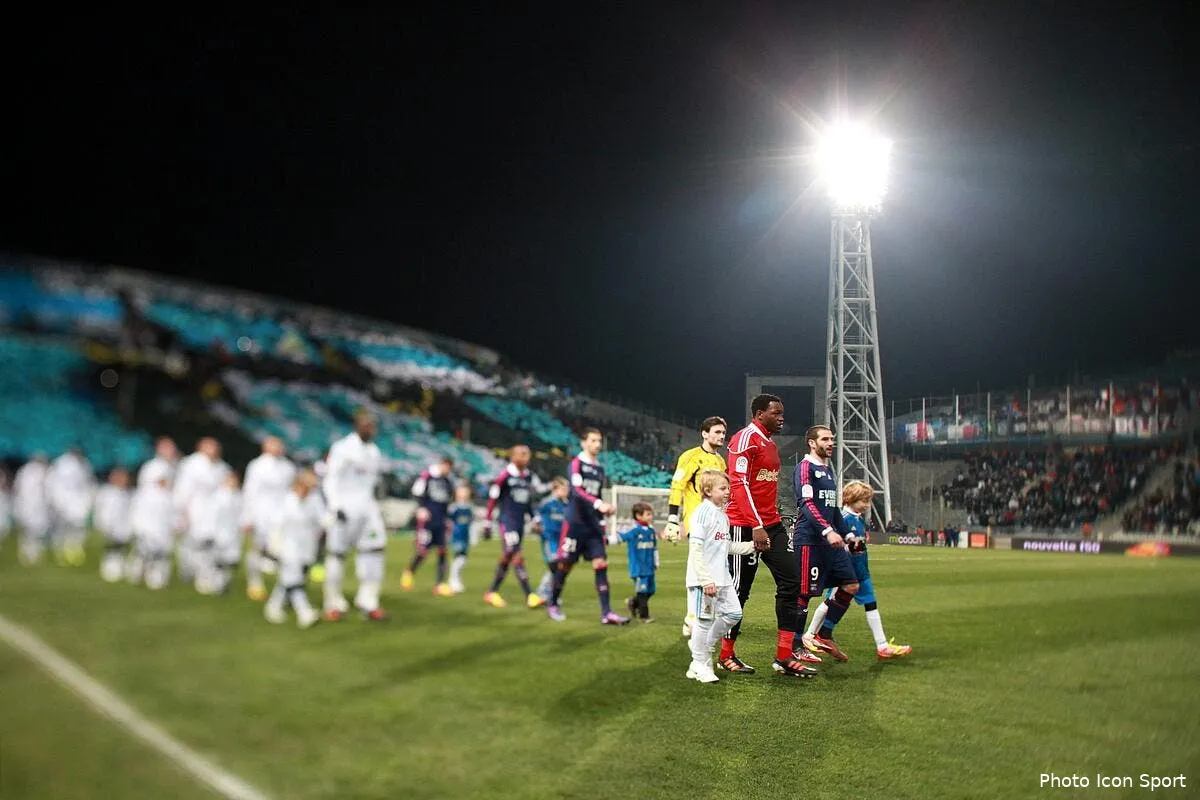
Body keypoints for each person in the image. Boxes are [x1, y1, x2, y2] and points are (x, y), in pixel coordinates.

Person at [719, 395, 814, 678]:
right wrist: (756, 524)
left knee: (792, 581)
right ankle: (726, 654)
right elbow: (738, 484)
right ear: (760, 414)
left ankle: (784, 656)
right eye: (776, 413)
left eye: (782, 413)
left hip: (770, 524)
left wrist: (767, 521)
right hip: (743, 525)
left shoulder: (769, 443)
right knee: (738, 591)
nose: (782, 417)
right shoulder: (744, 439)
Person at [803, 480, 913, 659]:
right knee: (829, 602)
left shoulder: (857, 519)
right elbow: (839, 546)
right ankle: (810, 635)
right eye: (864, 501)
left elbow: (857, 548)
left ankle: (882, 645)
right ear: (851, 499)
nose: (867, 505)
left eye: (868, 501)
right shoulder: (844, 519)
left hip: (861, 573)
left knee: (870, 603)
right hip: (846, 573)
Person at [546, 428, 628, 624]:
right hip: (574, 524)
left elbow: (597, 495)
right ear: (583, 443)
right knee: (565, 566)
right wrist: (599, 504)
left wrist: (602, 517)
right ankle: (553, 603)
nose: (597, 444)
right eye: (593, 440)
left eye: (599, 441)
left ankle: (606, 613)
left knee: (601, 564)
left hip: (592, 527)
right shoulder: (576, 464)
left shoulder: (599, 469)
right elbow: (577, 491)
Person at [794, 425, 860, 662]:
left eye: (832, 439)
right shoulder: (805, 467)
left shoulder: (828, 470)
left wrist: (849, 536)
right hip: (810, 540)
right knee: (804, 594)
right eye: (825, 439)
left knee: (851, 584)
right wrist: (827, 531)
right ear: (812, 443)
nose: (831, 442)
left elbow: (832, 510)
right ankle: (795, 646)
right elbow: (807, 504)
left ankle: (823, 634)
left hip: (832, 542)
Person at [685, 470, 758, 683]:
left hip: (723, 578)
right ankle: (700, 664)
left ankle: (701, 649)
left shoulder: (723, 515)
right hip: (704, 580)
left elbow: (726, 546)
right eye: (723, 488)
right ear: (708, 491)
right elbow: (696, 549)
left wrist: (753, 546)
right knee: (704, 620)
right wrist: (705, 579)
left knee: (734, 614)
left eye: (728, 488)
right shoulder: (702, 513)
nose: (728, 492)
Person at [662, 416, 728, 638]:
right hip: (696, 521)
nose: (721, 436)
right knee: (697, 569)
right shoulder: (690, 457)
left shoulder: (721, 462)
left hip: (716, 523)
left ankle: (701, 615)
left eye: (723, 433)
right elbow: (677, 485)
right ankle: (692, 616)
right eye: (717, 432)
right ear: (704, 433)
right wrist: (672, 518)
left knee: (711, 571)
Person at [323, 410, 389, 621]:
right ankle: (333, 601)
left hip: (367, 507)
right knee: (337, 555)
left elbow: (371, 483)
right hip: (345, 507)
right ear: (358, 426)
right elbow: (331, 478)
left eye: (373, 426)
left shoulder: (374, 452)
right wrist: (335, 506)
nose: (371, 429)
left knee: (375, 549)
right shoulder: (342, 448)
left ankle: (368, 600)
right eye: (367, 425)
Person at [483, 444, 546, 609]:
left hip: (519, 523)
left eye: (527, 454)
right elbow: (492, 499)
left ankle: (491, 592)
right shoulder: (504, 476)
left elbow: (527, 502)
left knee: (508, 556)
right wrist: (487, 522)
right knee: (517, 555)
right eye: (522, 454)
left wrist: (535, 519)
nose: (526, 457)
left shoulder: (527, 477)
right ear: (513, 456)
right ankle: (530, 595)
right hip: (507, 522)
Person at [264, 469, 324, 629]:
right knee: (294, 579)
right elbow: (276, 526)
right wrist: (273, 550)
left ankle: (273, 607)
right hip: (288, 547)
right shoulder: (287, 500)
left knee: (291, 578)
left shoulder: (315, 500)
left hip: (307, 546)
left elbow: (323, 519)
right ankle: (304, 612)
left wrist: (335, 519)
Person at [242, 436, 297, 601]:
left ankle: (284, 586)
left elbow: (291, 492)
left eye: (279, 444)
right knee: (258, 549)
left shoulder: (288, 467)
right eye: (274, 444)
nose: (278, 447)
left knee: (283, 550)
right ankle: (254, 582)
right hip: (261, 513)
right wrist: (247, 517)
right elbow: (250, 492)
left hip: (281, 515)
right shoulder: (257, 466)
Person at [172, 438, 230, 584]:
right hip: (194, 507)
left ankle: (204, 573)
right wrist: (182, 510)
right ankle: (188, 571)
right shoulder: (191, 464)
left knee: (209, 543)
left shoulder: (221, 467)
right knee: (192, 542)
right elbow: (183, 488)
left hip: (213, 510)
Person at [402, 456, 455, 596]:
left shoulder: (448, 482)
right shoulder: (427, 476)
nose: (447, 470)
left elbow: (447, 502)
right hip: (427, 521)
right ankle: (409, 572)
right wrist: (420, 508)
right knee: (423, 551)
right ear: (441, 464)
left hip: (440, 520)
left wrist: (448, 519)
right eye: (446, 467)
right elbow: (416, 492)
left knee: (443, 551)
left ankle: (440, 583)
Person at [46, 445, 95, 566]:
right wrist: (53, 499)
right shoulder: (61, 463)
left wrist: (88, 499)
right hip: (62, 500)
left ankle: (74, 548)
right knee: (62, 527)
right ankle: (60, 549)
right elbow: (52, 482)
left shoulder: (84, 464)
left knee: (78, 525)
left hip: (78, 501)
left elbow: (88, 483)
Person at [619, 502, 658, 623]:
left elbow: (655, 548)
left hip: (650, 567)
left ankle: (633, 602)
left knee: (651, 590)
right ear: (638, 516)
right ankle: (644, 616)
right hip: (639, 569)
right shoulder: (634, 531)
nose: (651, 516)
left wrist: (656, 562)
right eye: (648, 514)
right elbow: (622, 537)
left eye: (651, 514)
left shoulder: (651, 531)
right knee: (642, 591)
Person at [95, 467, 133, 583]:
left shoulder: (127, 493)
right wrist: (104, 524)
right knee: (112, 547)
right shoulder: (107, 493)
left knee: (120, 547)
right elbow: (102, 510)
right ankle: (110, 569)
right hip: (111, 525)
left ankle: (119, 567)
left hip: (123, 525)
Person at [534, 477, 569, 602]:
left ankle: (547, 593)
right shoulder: (547, 503)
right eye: (563, 489)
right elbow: (537, 519)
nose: (566, 491)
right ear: (555, 489)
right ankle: (545, 593)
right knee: (555, 566)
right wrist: (541, 530)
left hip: (562, 541)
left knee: (558, 568)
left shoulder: (566, 505)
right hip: (550, 540)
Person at [13, 454, 51, 566]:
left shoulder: (24, 471)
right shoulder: (38, 472)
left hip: (32, 504)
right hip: (32, 504)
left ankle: (30, 552)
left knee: (33, 530)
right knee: (33, 530)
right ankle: (31, 553)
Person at [447, 484, 475, 594]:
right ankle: (453, 580)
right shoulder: (454, 508)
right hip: (456, 536)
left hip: (465, 536)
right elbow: (448, 522)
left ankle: (456, 579)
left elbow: (471, 522)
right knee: (459, 557)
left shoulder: (469, 507)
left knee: (463, 559)